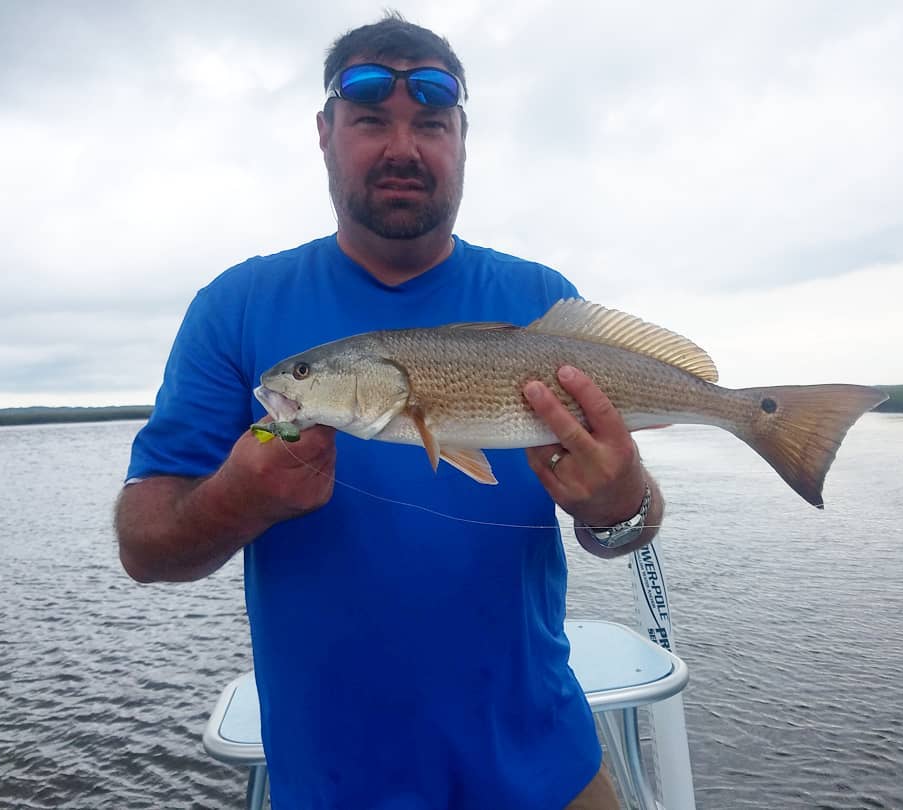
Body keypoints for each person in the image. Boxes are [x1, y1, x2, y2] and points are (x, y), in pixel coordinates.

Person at [116, 13, 665, 810]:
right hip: (337, 788)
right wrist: (239, 499)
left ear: (463, 142)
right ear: (325, 134)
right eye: (371, 121)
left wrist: (623, 505)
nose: (402, 147)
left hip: (547, 769)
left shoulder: (542, 302)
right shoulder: (235, 309)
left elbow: (630, 529)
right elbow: (144, 546)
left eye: (432, 124)